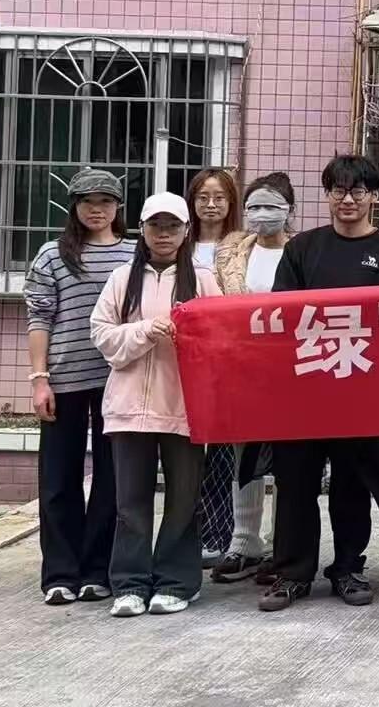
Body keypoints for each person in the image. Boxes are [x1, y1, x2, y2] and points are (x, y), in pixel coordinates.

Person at [259, 155, 379, 613]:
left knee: (353, 484)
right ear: (327, 195)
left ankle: (348, 567)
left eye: (358, 191)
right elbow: (284, 313)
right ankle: (293, 574)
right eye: (338, 190)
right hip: (305, 389)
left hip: (362, 391)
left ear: (375, 196)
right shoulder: (303, 249)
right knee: (295, 484)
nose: (348, 200)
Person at [88, 193, 222, 616]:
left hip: (184, 408)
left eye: (173, 226)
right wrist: (145, 331)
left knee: (183, 500)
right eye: (155, 226)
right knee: (130, 503)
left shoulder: (203, 278)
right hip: (128, 408)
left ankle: (177, 582)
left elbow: (220, 340)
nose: (164, 234)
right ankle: (129, 584)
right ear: (142, 231)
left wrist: (189, 338)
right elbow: (103, 336)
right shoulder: (120, 279)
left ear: (186, 231)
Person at [25, 167, 132, 605]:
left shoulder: (133, 253)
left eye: (105, 201)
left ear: (118, 207)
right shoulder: (52, 255)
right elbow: (39, 318)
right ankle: (59, 574)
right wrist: (39, 379)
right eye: (88, 201)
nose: (97, 209)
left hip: (118, 381)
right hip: (64, 380)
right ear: (74, 206)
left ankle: (96, 571)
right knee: (58, 479)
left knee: (112, 479)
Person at [208, 172, 295, 586]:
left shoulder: (302, 252)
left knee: (289, 456)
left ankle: (283, 544)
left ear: (289, 210)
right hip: (241, 366)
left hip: (291, 368)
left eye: (271, 206)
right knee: (244, 452)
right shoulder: (229, 252)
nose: (262, 214)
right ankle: (244, 541)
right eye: (255, 206)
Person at [186, 167, 243, 568]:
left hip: (227, 361)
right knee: (185, 453)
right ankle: (186, 533)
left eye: (219, 198)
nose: (211, 205)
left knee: (222, 453)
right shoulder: (179, 243)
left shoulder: (241, 246)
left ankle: (221, 534)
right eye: (203, 197)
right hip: (184, 358)